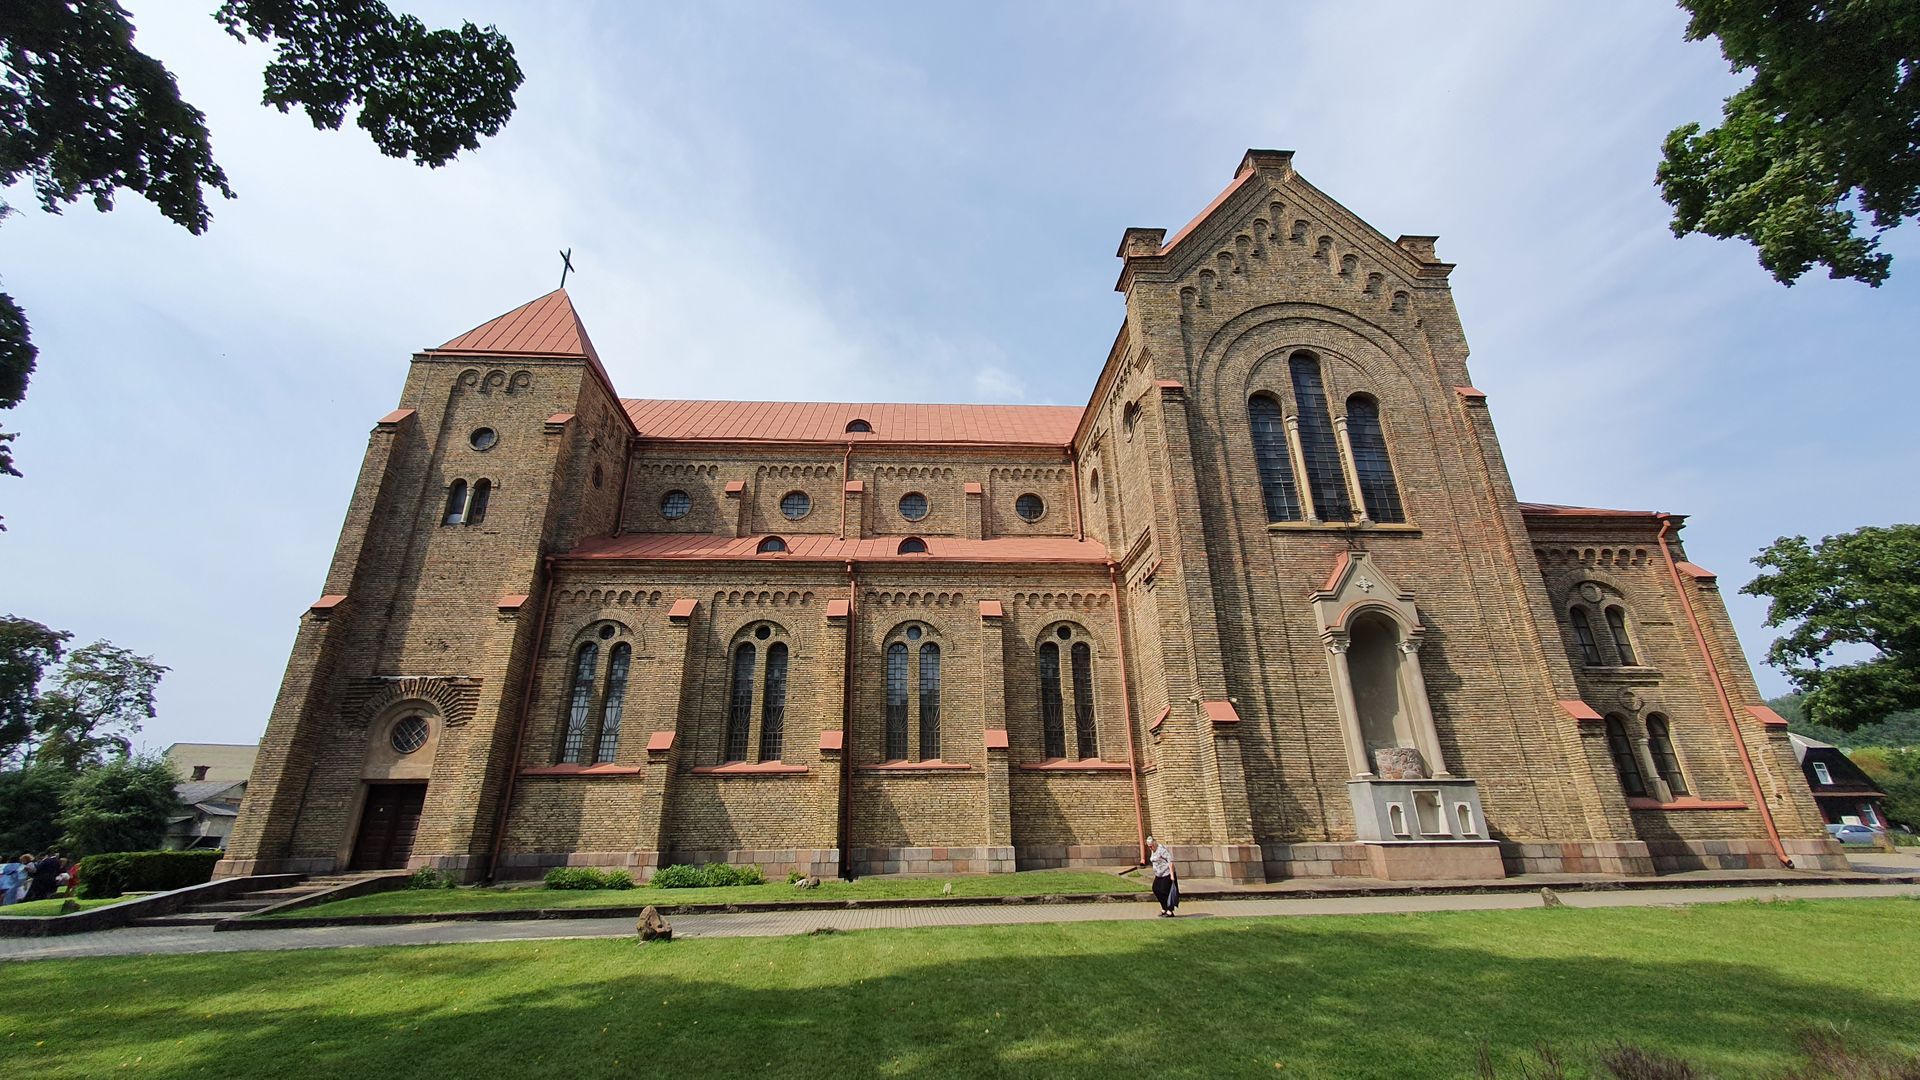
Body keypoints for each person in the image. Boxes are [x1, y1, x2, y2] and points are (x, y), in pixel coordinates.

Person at [1147, 836, 1179, 917]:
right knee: (1156, 889)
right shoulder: (1152, 850)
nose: (1150, 848)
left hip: (1167, 873)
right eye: (1148, 846)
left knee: (1164, 891)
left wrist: (1172, 876)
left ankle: (1170, 910)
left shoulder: (1161, 849)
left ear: (1154, 843)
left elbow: (1170, 862)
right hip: (1159, 874)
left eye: (1151, 846)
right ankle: (1164, 908)